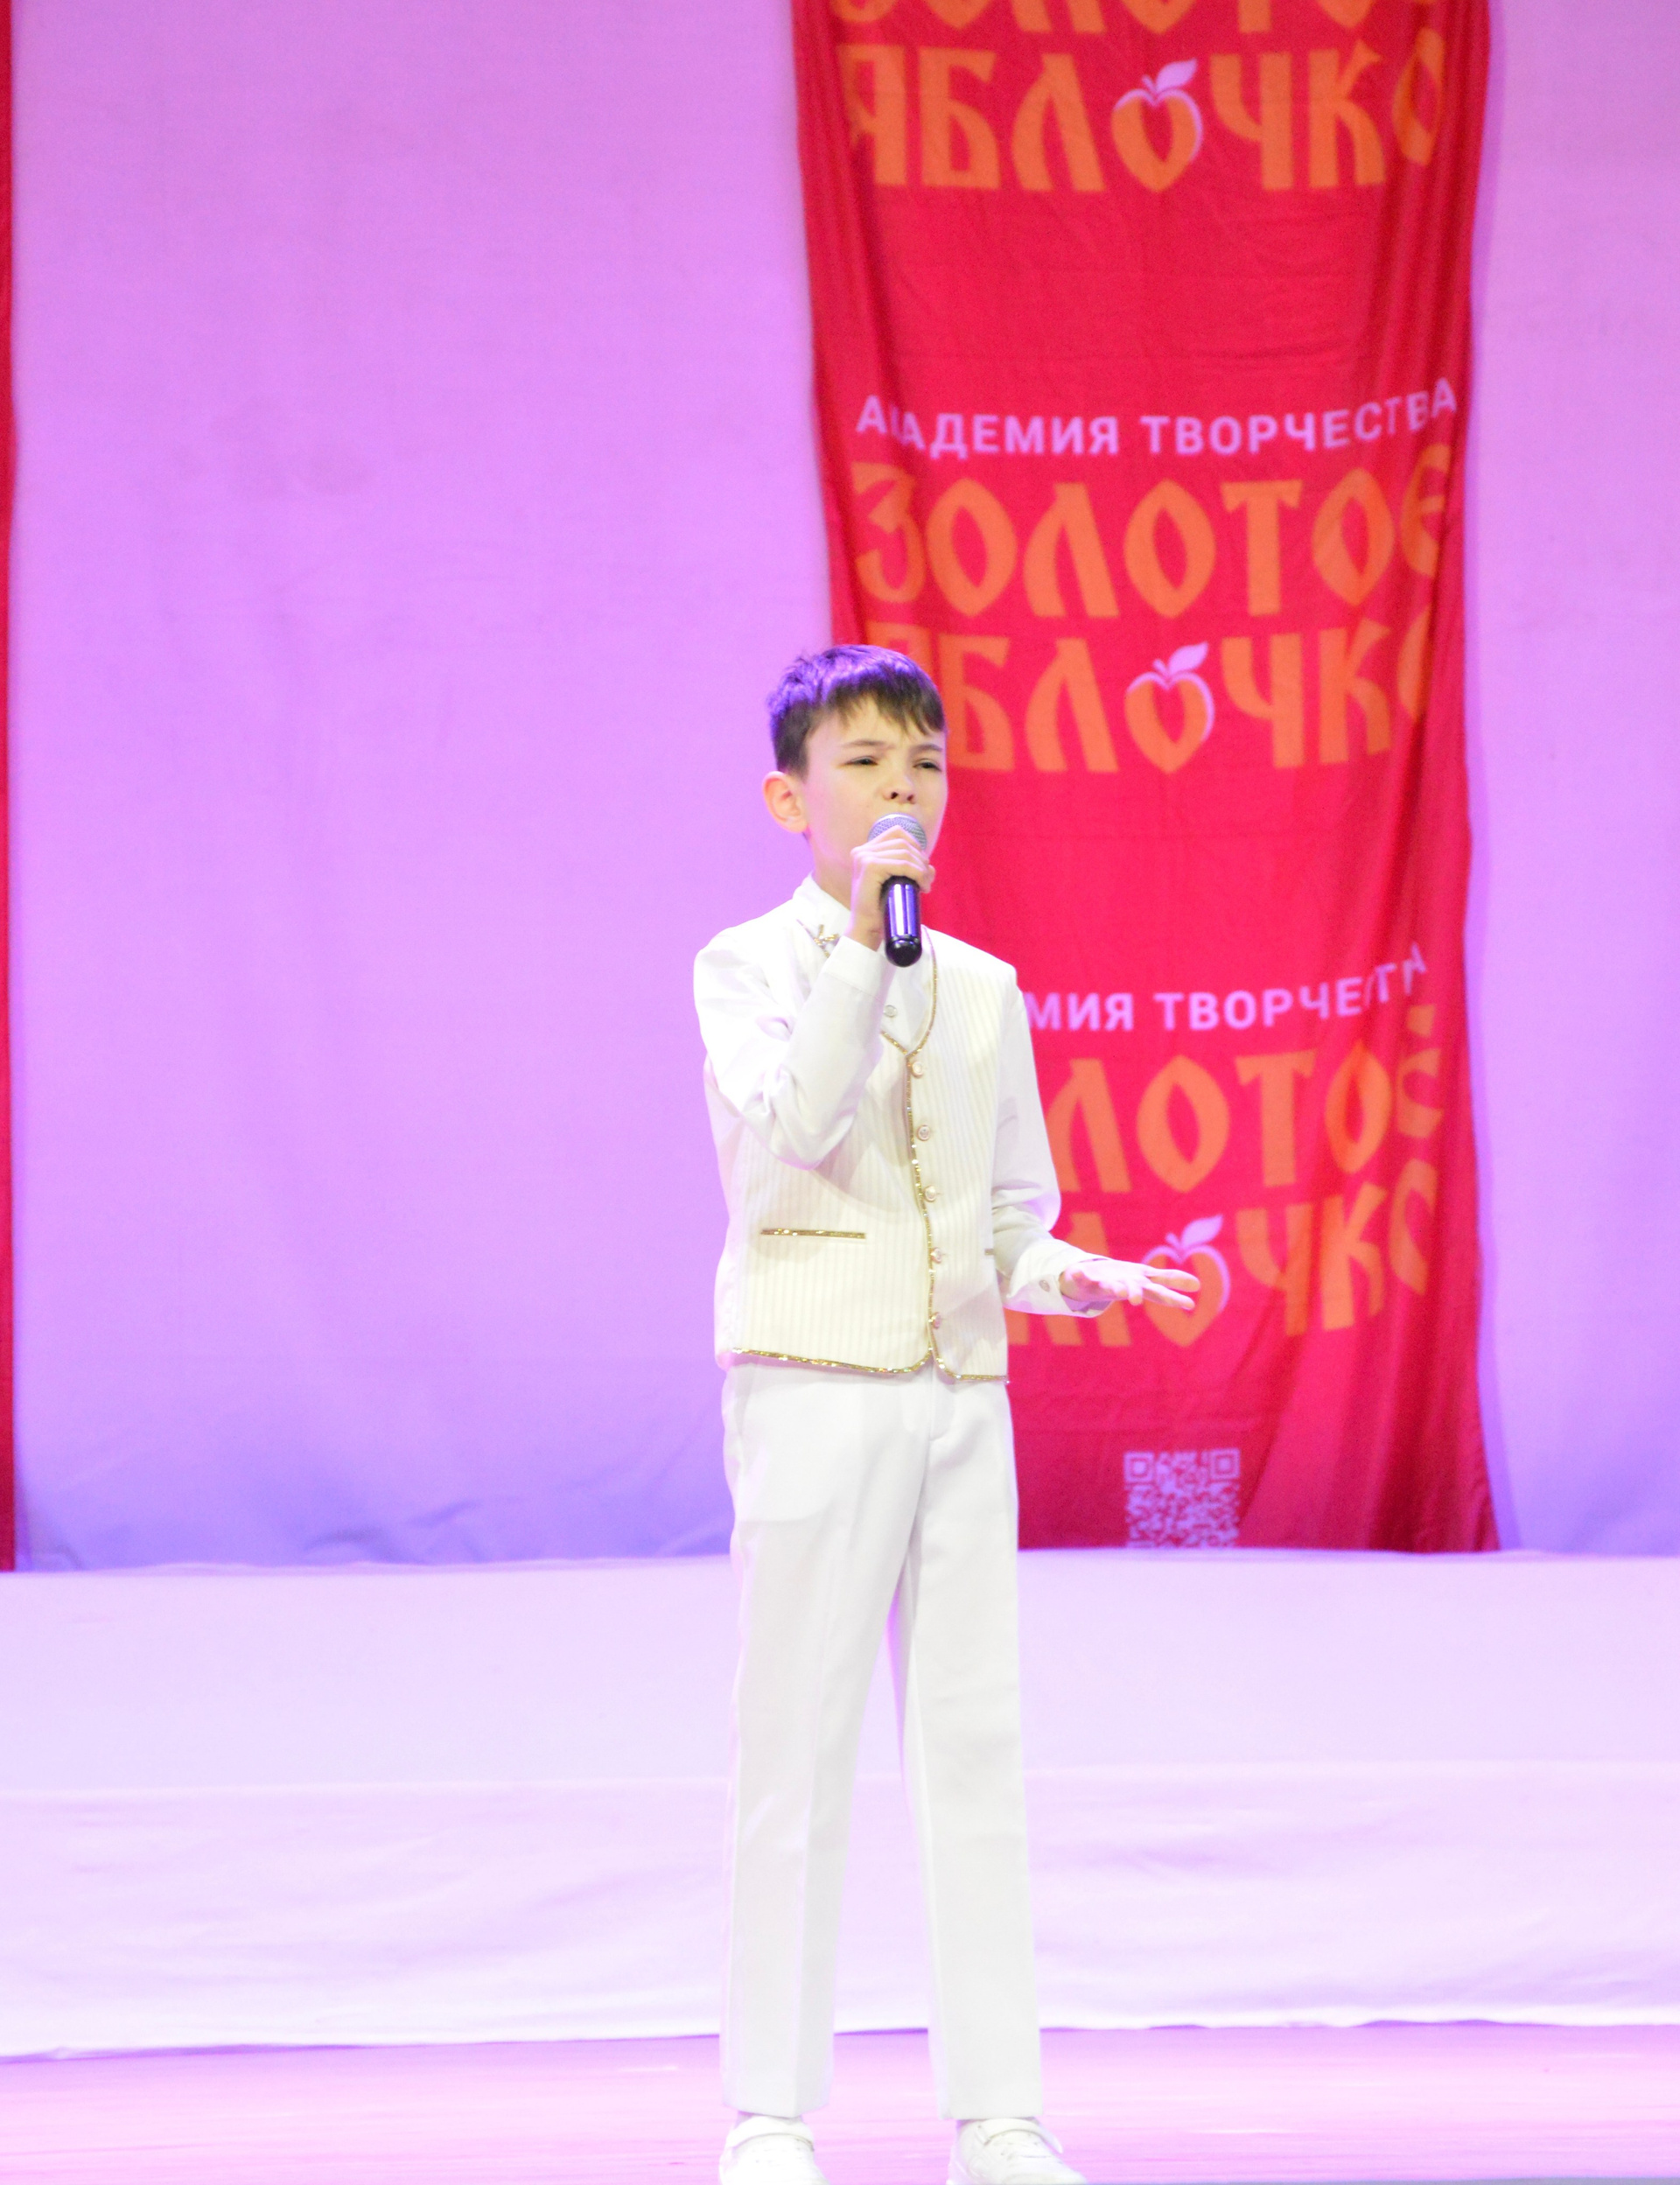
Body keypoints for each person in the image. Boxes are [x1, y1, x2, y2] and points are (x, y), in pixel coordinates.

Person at [694, 646, 1197, 2185]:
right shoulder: (744, 967)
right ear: (790, 797)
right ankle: (771, 2113)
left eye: (923, 765)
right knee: (796, 1753)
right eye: (863, 764)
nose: (900, 789)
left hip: (960, 1401)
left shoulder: (984, 988)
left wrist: (1088, 1275)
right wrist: (865, 942)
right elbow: (794, 1124)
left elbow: (1010, 1218)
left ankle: (1000, 2112)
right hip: (811, 1391)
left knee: (976, 1756)